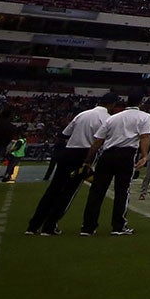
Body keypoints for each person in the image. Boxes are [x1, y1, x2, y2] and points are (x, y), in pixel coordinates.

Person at [28, 93, 112, 236]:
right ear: (112, 105)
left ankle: (33, 225)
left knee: (53, 189)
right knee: (68, 192)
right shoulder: (107, 119)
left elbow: (65, 134)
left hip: (69, 151)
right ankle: (50, 226)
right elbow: (101, 142)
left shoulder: (82, 114)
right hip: (84, 153)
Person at [80, 93, 150, 236]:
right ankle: (118, 226)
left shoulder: (113, 118)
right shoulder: (144, 116)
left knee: (96, 191)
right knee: (122, 191)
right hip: (126, 155)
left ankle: (88, 227)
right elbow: (145, 137)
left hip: (107, 155)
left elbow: (97, 142)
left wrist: (87, 162)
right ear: (141, 103)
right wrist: (144, 155)